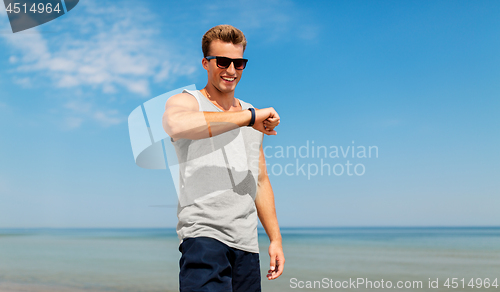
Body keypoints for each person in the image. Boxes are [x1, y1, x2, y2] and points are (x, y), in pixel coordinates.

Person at [162, 24, 284, 292]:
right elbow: (175, 124)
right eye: (223, 62)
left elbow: (260, 180)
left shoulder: (252, 115)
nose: (231, 70)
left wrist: (275, 239)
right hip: (204, 237)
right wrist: (249, 118)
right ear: (206, 63)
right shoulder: (188, 101)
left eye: (238, 63)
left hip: (247, 244)